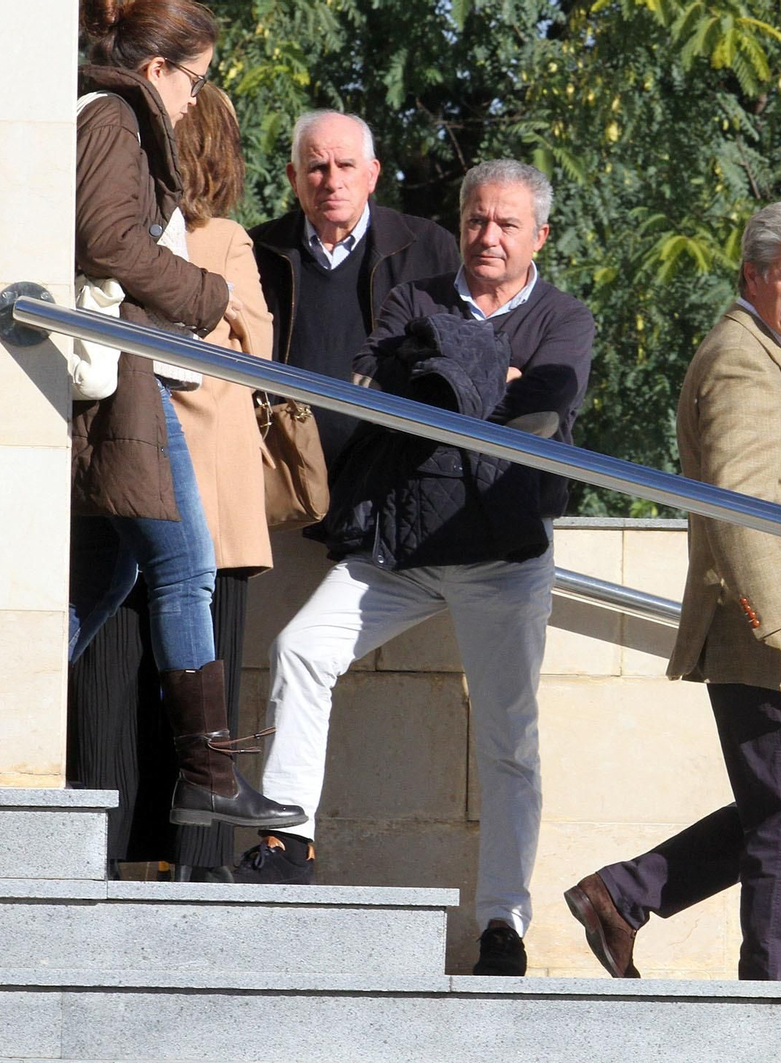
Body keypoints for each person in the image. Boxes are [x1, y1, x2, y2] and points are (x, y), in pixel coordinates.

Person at [235, 160, 596, 981]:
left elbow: (543, 406)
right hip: (400, 548)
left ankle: (502, 922)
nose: (488, 236)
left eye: (507, 224)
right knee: (299, 647)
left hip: (503, 557)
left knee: (511, 742)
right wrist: (482, 379)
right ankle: (288, 839)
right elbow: (379, 385)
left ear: (539, 235)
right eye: (476, 219)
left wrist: (451, 376)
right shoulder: (415, 297)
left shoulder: (565, 316)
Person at [562, 202, 781, 1062]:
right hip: (765, 632)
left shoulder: (772, 355)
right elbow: (736, 505)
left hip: (776, 627)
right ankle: (767, 1008)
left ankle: (623, 894)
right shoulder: (741, 361)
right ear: (752, 277)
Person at [71, 0, 303, 834]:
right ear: (158, 68)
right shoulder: (114, 115)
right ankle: (208, 771)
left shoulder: (111, 114)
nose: (195, 102)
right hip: (128, 374)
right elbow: (106, 239)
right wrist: (207, 295)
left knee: (108, 578)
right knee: (186, 569)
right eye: (194, 82)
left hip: (130, 372)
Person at [249, 110, 459, 468]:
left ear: (372, 174)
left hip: (393, 475)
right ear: (292, 178)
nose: (332, 182)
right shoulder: (258, 251)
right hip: (285, 474)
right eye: (317, 167)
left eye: (346, 165)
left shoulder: (428, 248)